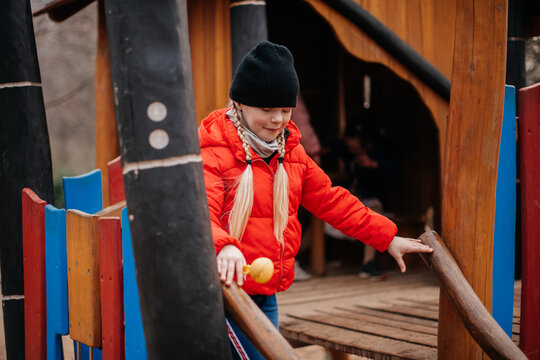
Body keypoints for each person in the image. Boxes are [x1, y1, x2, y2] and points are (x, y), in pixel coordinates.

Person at [198, 41, 433, 360]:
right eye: (267, 109)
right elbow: (199, 214)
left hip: (265, 292)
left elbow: (331, 200)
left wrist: (386, 237)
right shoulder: (215, 152)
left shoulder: (290, 153)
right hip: (225, 293)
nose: (277, 120)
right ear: (240, 103)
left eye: (285, 109)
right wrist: (223, 245)